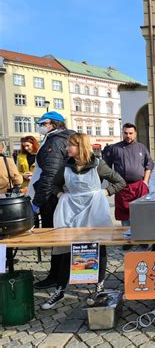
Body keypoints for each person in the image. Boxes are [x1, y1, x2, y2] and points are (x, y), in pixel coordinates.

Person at [39, 133, 125, 309]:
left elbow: (120, 181)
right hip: (71, 212)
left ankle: (99, 286)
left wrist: (105, 193)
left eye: (71, 145)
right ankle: (60, 289)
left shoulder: (98, 165)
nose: (66, 148)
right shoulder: (66, 166)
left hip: (94, 212)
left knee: (98, 247)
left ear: (80, 147)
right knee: (66, 250)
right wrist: (61, 195)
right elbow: (54, 185)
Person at [28, 111, 75, 290]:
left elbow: (50, 175)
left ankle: (57, 276)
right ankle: (60, 274)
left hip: (52, 198)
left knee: (57, 239)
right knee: (60, 239)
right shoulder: (59, 138)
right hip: (55, 195)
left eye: (42, 123)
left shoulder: (55, 141)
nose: (40, 126)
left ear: (53, 124)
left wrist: (37, 202)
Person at [104, 123, 153, 249]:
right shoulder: (114, 148)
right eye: (126, 133)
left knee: (141, 213)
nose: (128, 135)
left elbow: (148, 165)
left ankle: (143, 238)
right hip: (122, 187)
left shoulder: (142, 147)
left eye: (131, 133)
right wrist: (112, 184)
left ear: (135, 134)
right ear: (122, 133)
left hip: (139, 186)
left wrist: (145, 182)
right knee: (124, 214)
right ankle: (127, 240)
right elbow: (107, 168)